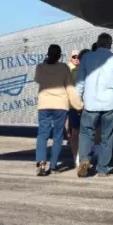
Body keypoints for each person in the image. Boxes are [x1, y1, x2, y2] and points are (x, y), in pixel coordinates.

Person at [75, 33, 113, 178]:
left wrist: (77, 99)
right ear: (110, 44)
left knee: (86, 133)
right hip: (110, 103)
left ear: (97, 43)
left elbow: (80, 81)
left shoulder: (86, 57)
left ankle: (85, 159)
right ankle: (103, 169)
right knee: (107, 136)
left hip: (90, 102)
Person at [34, 44, 72, 176]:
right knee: (58, 136)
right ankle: (54, 165)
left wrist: (45, 63)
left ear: (47, 54)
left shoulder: (40, 67)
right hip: (60, 105)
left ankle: (41, 162)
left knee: (42, 134)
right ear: (60, 56)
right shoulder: (64, 68)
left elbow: (38, 80)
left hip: (44, 104)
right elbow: (69, 86)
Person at [67, 49, 83, 167]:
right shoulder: (68, 69)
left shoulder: (83, 68)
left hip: (84, 104)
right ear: (70, 58)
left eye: (78, 56)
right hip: (72, 105)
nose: (76, 58)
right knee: (75, 132)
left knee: (85, 132)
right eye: (74, 56)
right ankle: (76, 157)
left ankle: (83, 155)